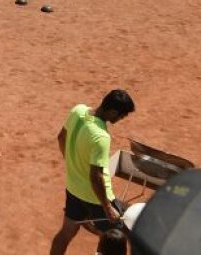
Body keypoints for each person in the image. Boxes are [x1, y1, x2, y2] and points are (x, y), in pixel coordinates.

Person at [48, 89, 136, 255]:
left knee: (65, 233)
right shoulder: (101, 136)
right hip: (96, 198)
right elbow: (96, 176)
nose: (120, 119)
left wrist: (73, 163)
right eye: (121, 116)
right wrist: (108, 207)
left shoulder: (78, 110)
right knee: (115, 240)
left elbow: (61, 137)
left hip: (73, 189)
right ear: (113, 112)